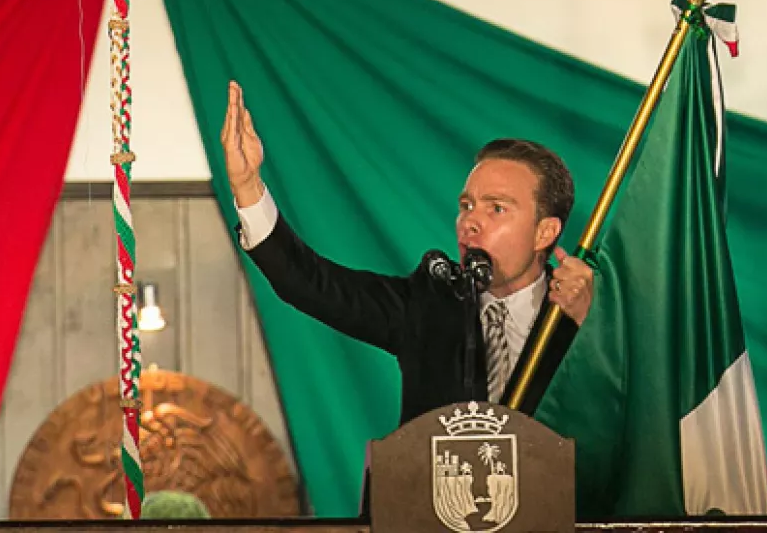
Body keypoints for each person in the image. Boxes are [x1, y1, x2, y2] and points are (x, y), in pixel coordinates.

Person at [220, 81, 595, 424]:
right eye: (466, 206)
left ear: (545, 231)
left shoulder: (585, 314)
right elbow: (311, 283)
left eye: (496, 208)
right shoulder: (430, 302)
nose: (470, 222)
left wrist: (593, 324)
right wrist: (247, 185)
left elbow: (633, 416)